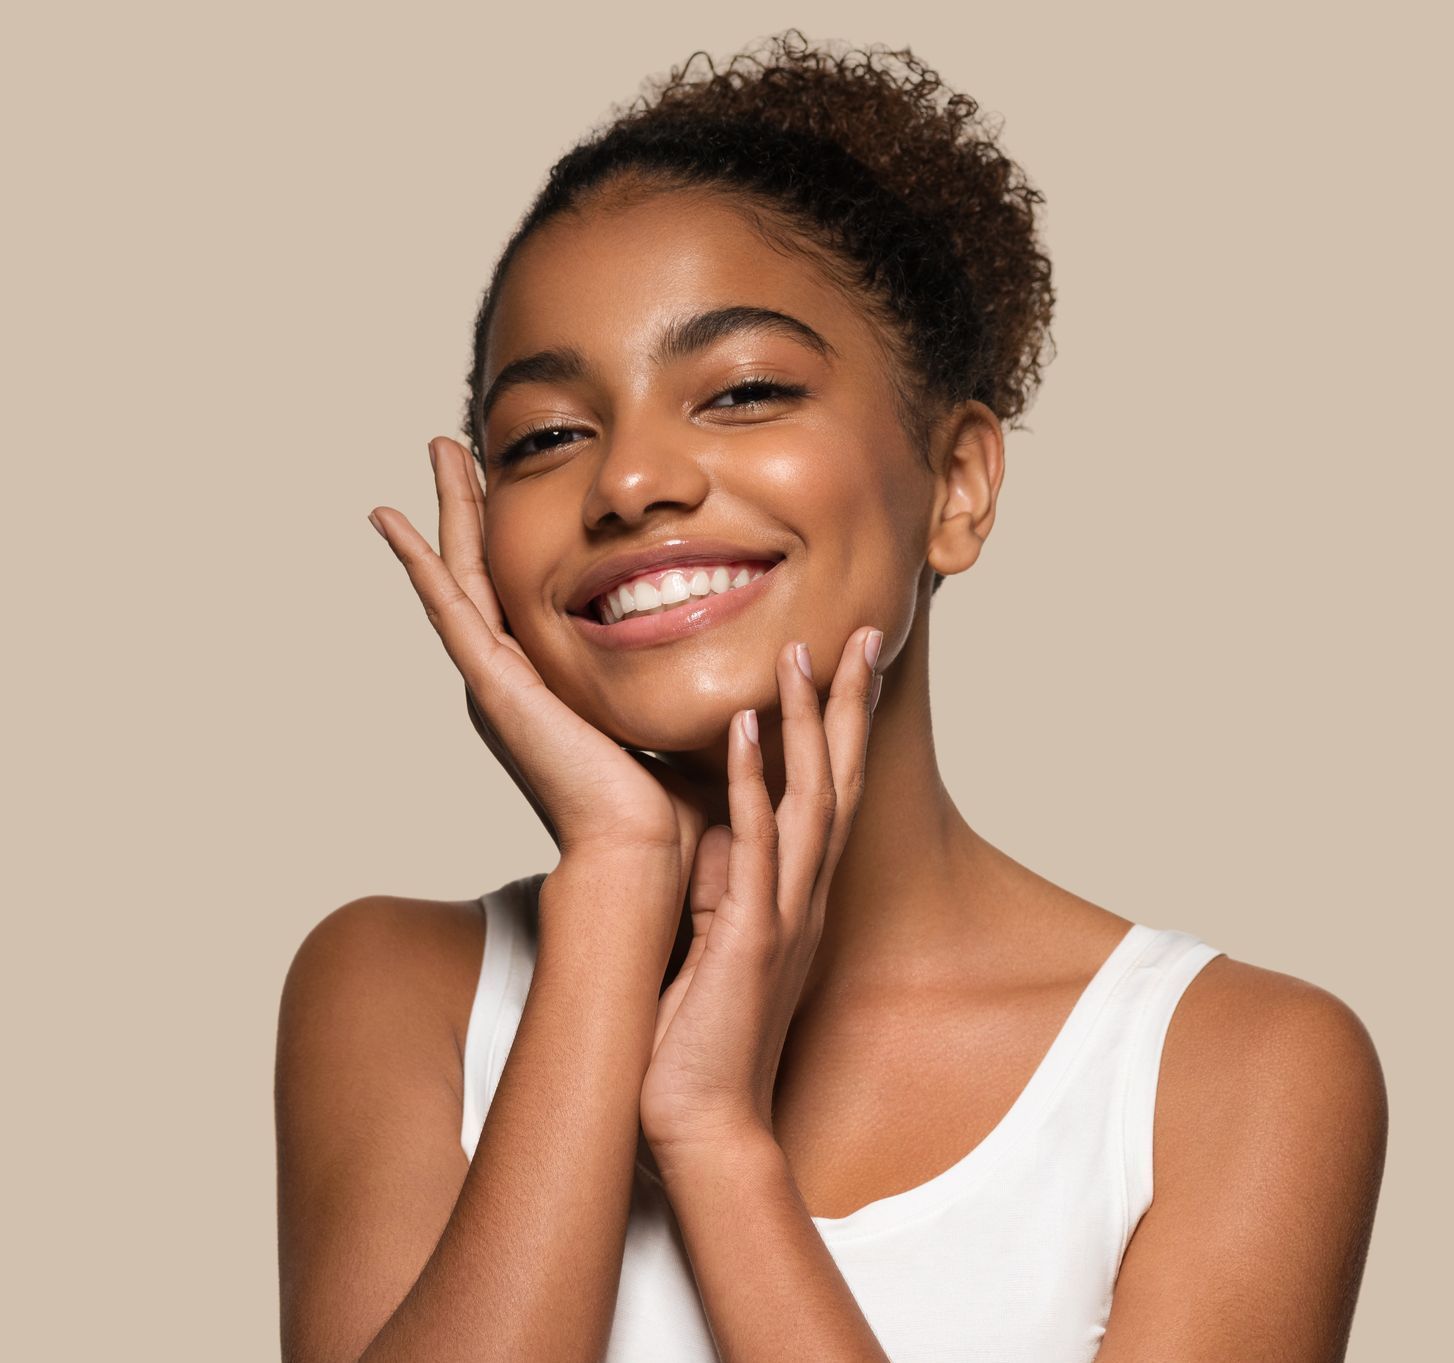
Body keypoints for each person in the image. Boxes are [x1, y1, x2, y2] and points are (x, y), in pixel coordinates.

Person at [274, 31, 1387, 1363]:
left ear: (958, 486)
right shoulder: (398, 992)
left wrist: (716, 1143)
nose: (627, 482)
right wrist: (616, 891)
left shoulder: (1231, 1071)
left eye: (741, 392)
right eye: (546, 436)